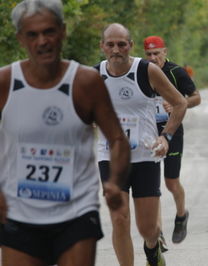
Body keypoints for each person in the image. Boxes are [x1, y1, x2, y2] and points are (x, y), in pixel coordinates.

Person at [0, 1, 130, 266]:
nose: (42, 42)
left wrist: (115, 181)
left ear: (63, 31)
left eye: (49, 32)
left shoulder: (85, 82)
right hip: (19, 211)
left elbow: (117, 138)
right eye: (32, 35)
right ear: (20, 39)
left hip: (77, 211)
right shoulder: (5, 82)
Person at [96, 24, 187, 266]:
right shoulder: (93, 76)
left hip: (145, 156)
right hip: (110, 157)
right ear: (102, 46)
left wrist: (166, 137)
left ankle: (152, 247)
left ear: (130, 46)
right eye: (111, 44)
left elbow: (179, 104)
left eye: (121, 44)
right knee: (119, 219)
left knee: (148, 228)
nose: (116, 50)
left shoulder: (146, 71)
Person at [143, 36, 201, 246]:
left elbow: (196, 97)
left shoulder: (176, 72)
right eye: (148, 54)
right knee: (151, 184)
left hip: (173, 132)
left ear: (165, 52)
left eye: (156, 53)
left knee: (170, 182)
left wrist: (179, 103)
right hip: (149, 134)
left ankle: (181, 215)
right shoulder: (141, 72)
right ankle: (157, 232)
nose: (153, 58)